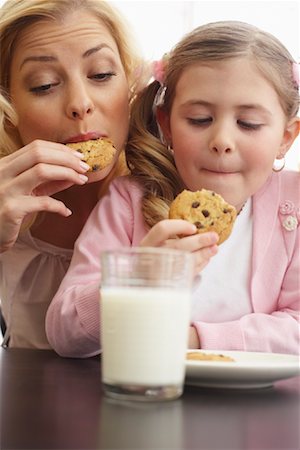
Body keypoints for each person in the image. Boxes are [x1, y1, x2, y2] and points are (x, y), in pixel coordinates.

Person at [46, 21, 299, 357]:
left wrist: (192, 341)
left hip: (266, 405)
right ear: (166, 124)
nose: (222, 141)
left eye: (248, 124)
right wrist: (137, 277)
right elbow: (64, 332)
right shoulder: (129, 202)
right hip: (143, 396)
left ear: (285, 137)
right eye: (199, 119)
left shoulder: (293, 204)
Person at [0, 0, 144, 348]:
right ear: (7, 106)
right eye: (44, 85)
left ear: (131, 84)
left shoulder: (172, 194)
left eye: (101, 75)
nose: (80, 103)